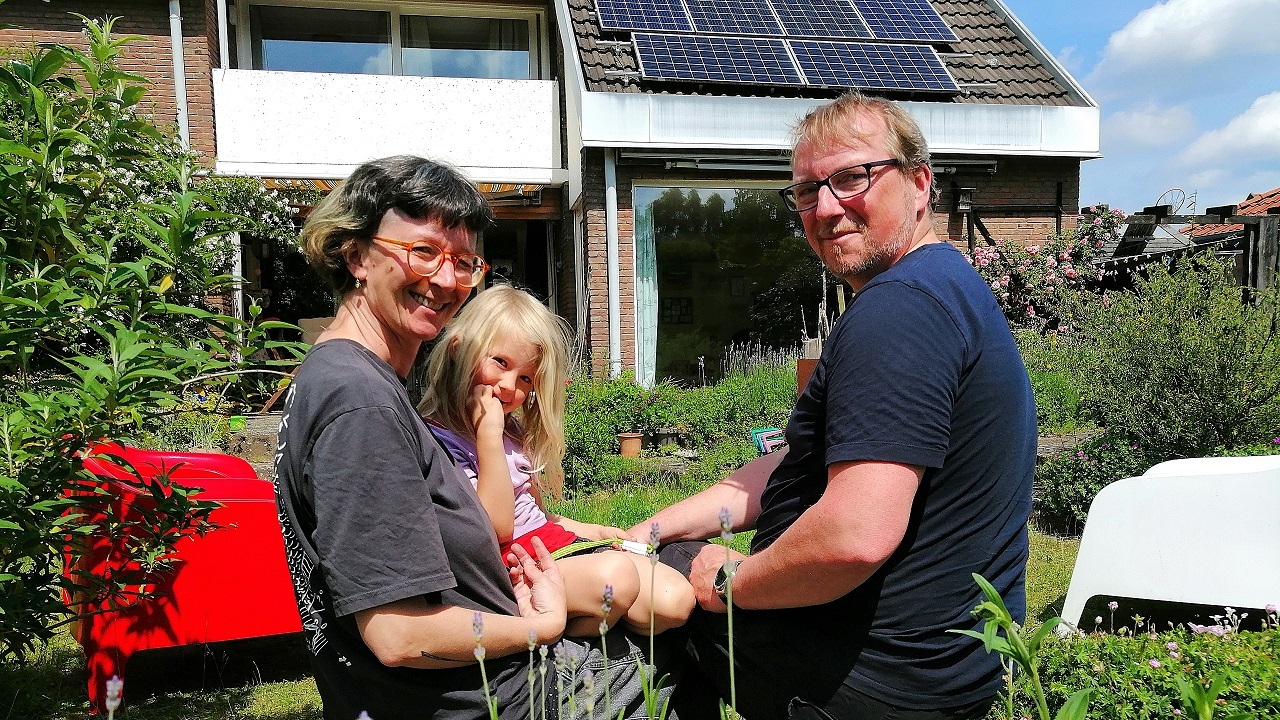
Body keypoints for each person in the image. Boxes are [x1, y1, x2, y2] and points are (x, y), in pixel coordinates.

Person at [635, 92, 1037, 719]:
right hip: (947, 669)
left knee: (644, 596)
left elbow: (854, 536)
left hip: (873, 680)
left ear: (920, 182)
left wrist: (729, 581)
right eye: (805, 191)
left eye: (852, 177)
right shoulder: (943, 287)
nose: (825, 208)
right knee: (661, 554)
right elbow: (797, 465)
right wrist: (658, 527)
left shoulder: (898, 310)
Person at [274, 156, 658, 720]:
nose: (447, 280)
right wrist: (539, 626)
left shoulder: (350, 380)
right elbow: (400, 636)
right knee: (681, 654)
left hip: (460, 686)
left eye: (464, 262)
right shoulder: (359, 401)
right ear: (357, 255)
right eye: (423, 252)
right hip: (486, 699)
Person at [419, 284, 695, 637]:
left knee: (675, 601)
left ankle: (582, 622)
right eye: (499, 362)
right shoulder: (438, 441)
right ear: (458, 350)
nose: (508, 385)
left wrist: (589, 529)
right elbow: (496, 529)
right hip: (512, 564)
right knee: (617, 579)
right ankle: (551, 627)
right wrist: (487, 435)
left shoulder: (512, 433)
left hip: (547, 542)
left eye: (525, 378)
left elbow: (535, 512)